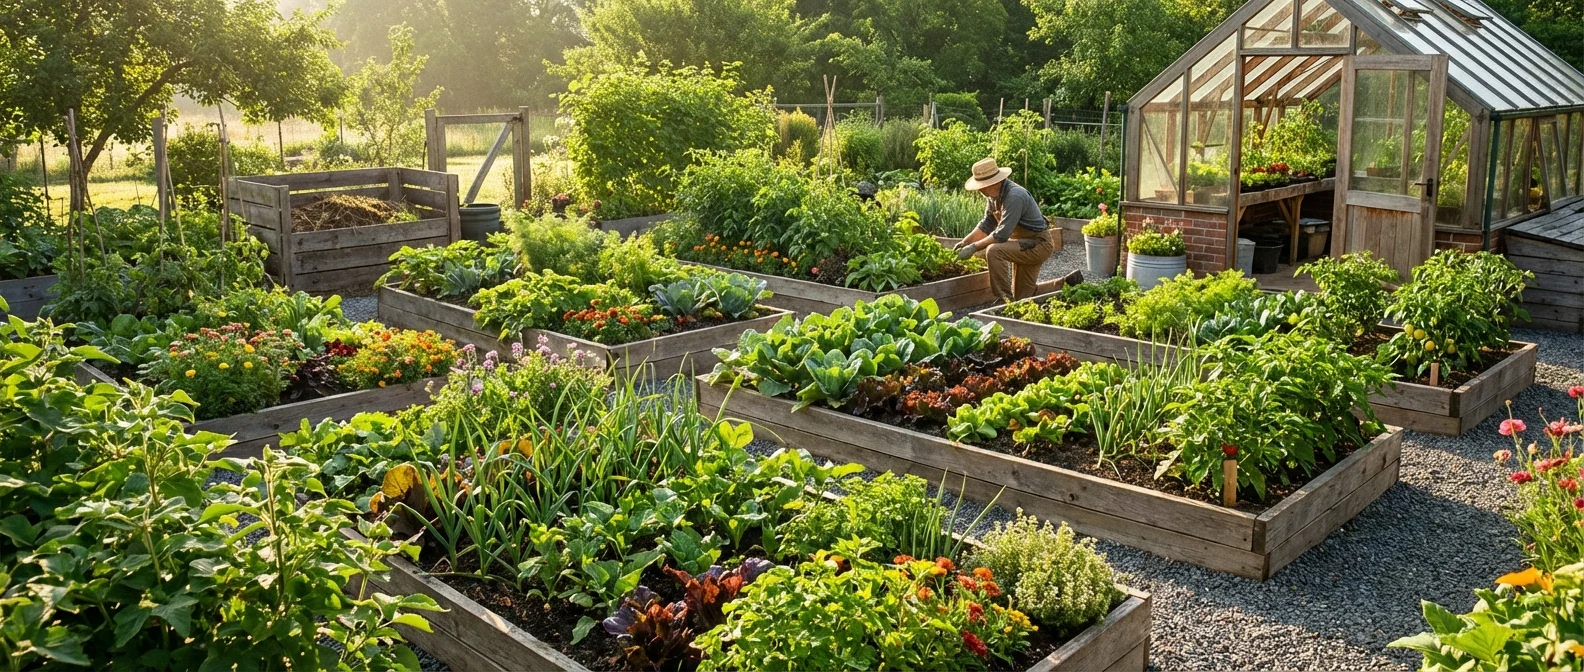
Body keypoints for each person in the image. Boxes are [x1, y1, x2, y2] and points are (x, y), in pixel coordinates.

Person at [953, 157, 1057, 301]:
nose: (979, 190)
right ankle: (1064, 283)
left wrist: (974, 247)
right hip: (1020, 244)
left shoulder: (1015, 196)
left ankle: (1003, 299)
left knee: (994, 251)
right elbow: (986, 224)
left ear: (995, 182)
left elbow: (1001, 235)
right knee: (1023, 297)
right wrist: (965, 242)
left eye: (982, 185)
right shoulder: (993, 196)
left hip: (1037, 244)